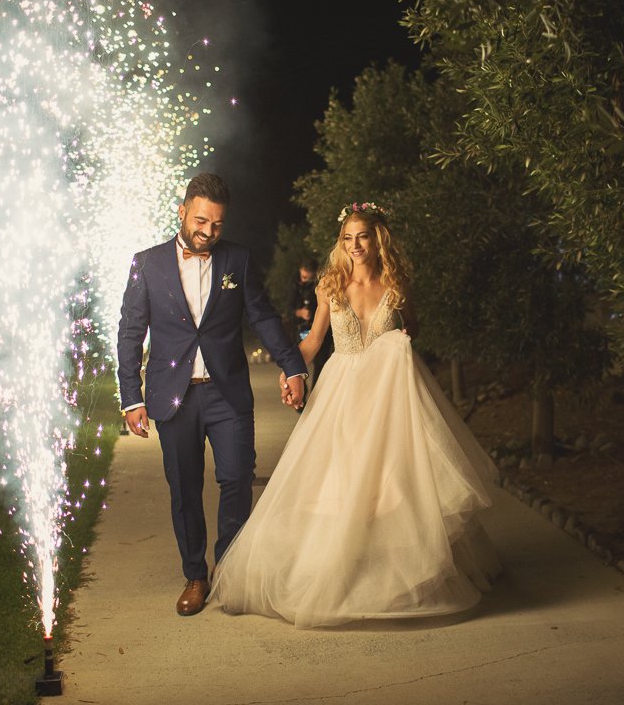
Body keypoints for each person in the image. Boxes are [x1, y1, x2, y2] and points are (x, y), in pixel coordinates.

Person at [209, 202, 501, 628]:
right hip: (342, 394)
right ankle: (341, 572)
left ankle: (394, 577)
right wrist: (292, 369)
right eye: (347, 238)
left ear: (377, 237)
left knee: (391, 485)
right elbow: (314, 341)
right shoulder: (330, 285)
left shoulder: (396, 284)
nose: (355, 245)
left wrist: (392, 346)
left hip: (388, 396)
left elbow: (411, 329)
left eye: (362, 236)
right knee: (339, 483)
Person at [116, 172, 309, 617]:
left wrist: (292, 365)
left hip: (227, 394)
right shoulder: (146, 263)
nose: (208, 232)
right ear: (183, 211)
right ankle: (195, 576)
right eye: (201, 221)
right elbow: (130, 333)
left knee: (237, 478)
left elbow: (261, 317)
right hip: (172, 396)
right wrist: (132, 397)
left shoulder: (237, 260)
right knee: (184, 488)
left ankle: (229, 567)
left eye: (218, 225)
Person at [285, 258, 332, 386]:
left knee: (320, 363)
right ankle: (301, 392)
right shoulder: (294, 284)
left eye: (308, 279)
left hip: (321, 328)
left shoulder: (321, 284)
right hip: (300, 328)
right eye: (303, 277)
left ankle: (316, 392)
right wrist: (299, 312)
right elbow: (288, 309)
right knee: (300, 360)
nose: (305, 281)